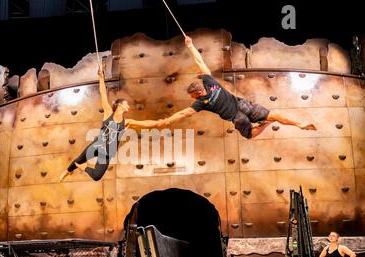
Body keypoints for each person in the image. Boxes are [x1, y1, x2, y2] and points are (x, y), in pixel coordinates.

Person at [157, 36, 317, 139]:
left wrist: (166, 121)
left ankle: (265, 125)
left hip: (238, 117)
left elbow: (183, 113)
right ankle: (298, 124)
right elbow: (200, 62)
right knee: (273, 114)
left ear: (198, 93)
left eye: (192, 95)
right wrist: (190, 46)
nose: (191, 98)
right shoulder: (209, 82)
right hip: (243, 105)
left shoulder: (200, 103)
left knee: (250, 135)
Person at [59, 67, 160, 182]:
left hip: (106, 154)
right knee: (78, 160)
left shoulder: (126, 123)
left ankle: (84, 168)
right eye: (126, 104)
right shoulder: (108, 113)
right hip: (97, 144)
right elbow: (103, 93)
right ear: (120, 105)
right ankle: (67, 172)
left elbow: (145, 124)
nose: (128, 106)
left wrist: (158, 123)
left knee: (96, 176)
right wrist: (101, 78)